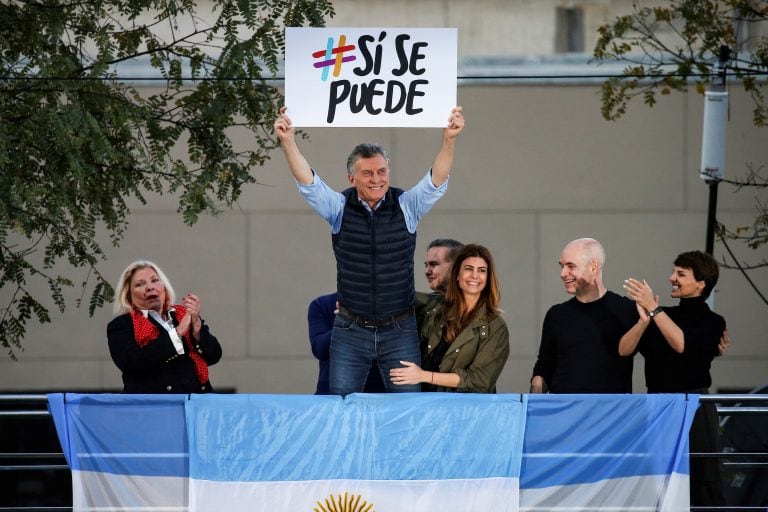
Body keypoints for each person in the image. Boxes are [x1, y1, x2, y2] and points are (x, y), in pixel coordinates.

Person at [274, 105, 465, 395]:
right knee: (340, 409)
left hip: (399, 329)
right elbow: (309, 183)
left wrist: (449, 139)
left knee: (406, 411)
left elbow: (435, 181)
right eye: (367, 173)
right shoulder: (338, 208)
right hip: (351, 329)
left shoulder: (406, 206)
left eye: (382, 171)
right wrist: (288, 141)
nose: (377, 179)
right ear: (352, 178)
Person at [619, 250, 729, 507]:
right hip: (658, 406)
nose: (671, 278)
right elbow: (624, 350)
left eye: (680, 274)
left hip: (695, 409)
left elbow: (682, 344)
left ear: (701, 283)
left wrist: (655, 309)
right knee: (658, 479)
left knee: (701, 479)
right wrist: (643, 322)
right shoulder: (661, 315)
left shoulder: (713, 321)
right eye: (673, 272)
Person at [389, 244, 509, 392]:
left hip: (464, 411)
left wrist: (424, 376)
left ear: (488, 278)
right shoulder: (434, 307)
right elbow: (397, 298)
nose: (475, 276)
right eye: (468, 269)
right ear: (457, 274)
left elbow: (479, 380)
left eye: (482, 271)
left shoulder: (495, 326)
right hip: (422, 404)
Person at [530, 238, 637, 394]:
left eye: (570, 266)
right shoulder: (557, 315)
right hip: (564, 412)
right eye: (562, 266)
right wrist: (534, 402)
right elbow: (545, 367)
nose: (563, 273)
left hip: (610, 414)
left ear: (593, 267)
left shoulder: (626, 310)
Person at [107, 260, 222, 393]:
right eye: (140, 284)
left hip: (197, 405)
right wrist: (177, 333)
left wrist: (197, 326)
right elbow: (132, 363)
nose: (150, 287)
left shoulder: (182, 315)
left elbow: (214, 356)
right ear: (129, 295)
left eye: (155, 280)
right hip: (156, 408)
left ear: (164, 286)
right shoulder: (122, 325)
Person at [308, 292, 386, 394]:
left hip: (382, 394)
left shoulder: (394, 303)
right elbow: (319, 349)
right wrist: (346, 321)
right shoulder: (322, 304)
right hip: (334, 395)